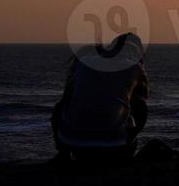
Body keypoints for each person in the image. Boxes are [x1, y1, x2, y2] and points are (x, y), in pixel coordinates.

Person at [51, 32, 149, 166]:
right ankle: (126, 147)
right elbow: (143, 97)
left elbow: (67, 97)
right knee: (141, 108)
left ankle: (63, 153)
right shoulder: (135, 67)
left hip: (74, 142)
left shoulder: (84, 61)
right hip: (114, 145)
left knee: (60, 106)